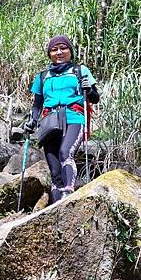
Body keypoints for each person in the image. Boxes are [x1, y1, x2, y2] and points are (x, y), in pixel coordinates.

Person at [24, 35, 99, 203]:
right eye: (54, 49)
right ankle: (56, 204)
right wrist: (32, 121)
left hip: (74, 117)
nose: (59, 52)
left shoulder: (80, 71)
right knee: (54, 166)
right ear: (49, 54)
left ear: (70, 51)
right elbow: (37, 104)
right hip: (49, 122)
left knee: (66, 153)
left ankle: (68, 194)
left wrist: (89, 89)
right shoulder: (43, 76)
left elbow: (94, 98)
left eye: (63, 48)